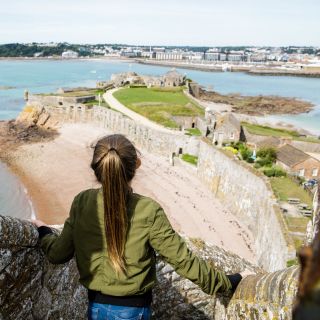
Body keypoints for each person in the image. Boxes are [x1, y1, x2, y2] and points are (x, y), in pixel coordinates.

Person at [32, 134, 243, 320]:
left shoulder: (82, 202)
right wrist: (225, 283)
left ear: (97, 169)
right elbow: (183, 260)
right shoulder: (148, 210)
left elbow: (58, 254)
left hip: (96, 307)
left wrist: (44, 233)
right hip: (133, 310)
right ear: (136, 166)